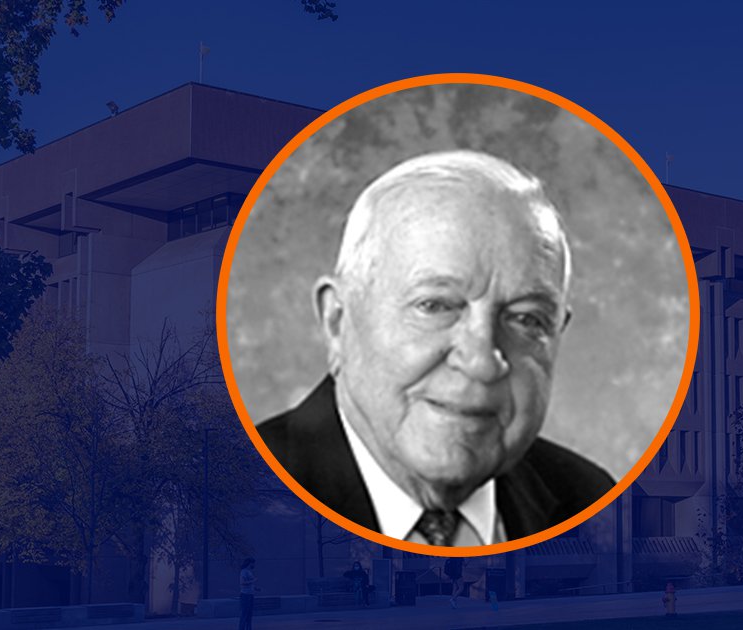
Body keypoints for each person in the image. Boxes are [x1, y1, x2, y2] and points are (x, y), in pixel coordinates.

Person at [258, 150, 613, 546]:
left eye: (526, 319)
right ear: (338, 321)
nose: (481, 361)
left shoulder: (592, 506)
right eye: (435, 306)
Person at [237, 558, 255, 630]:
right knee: (244, 614)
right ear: (249, 563)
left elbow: (250, 583)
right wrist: (253, 581)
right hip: (245, 595)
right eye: (252, 563)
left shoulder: (249, 571)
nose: (253, 565)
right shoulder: (243, 571)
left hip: (250, 595)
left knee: (249, 614)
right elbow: (242, 582)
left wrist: (255, 588)